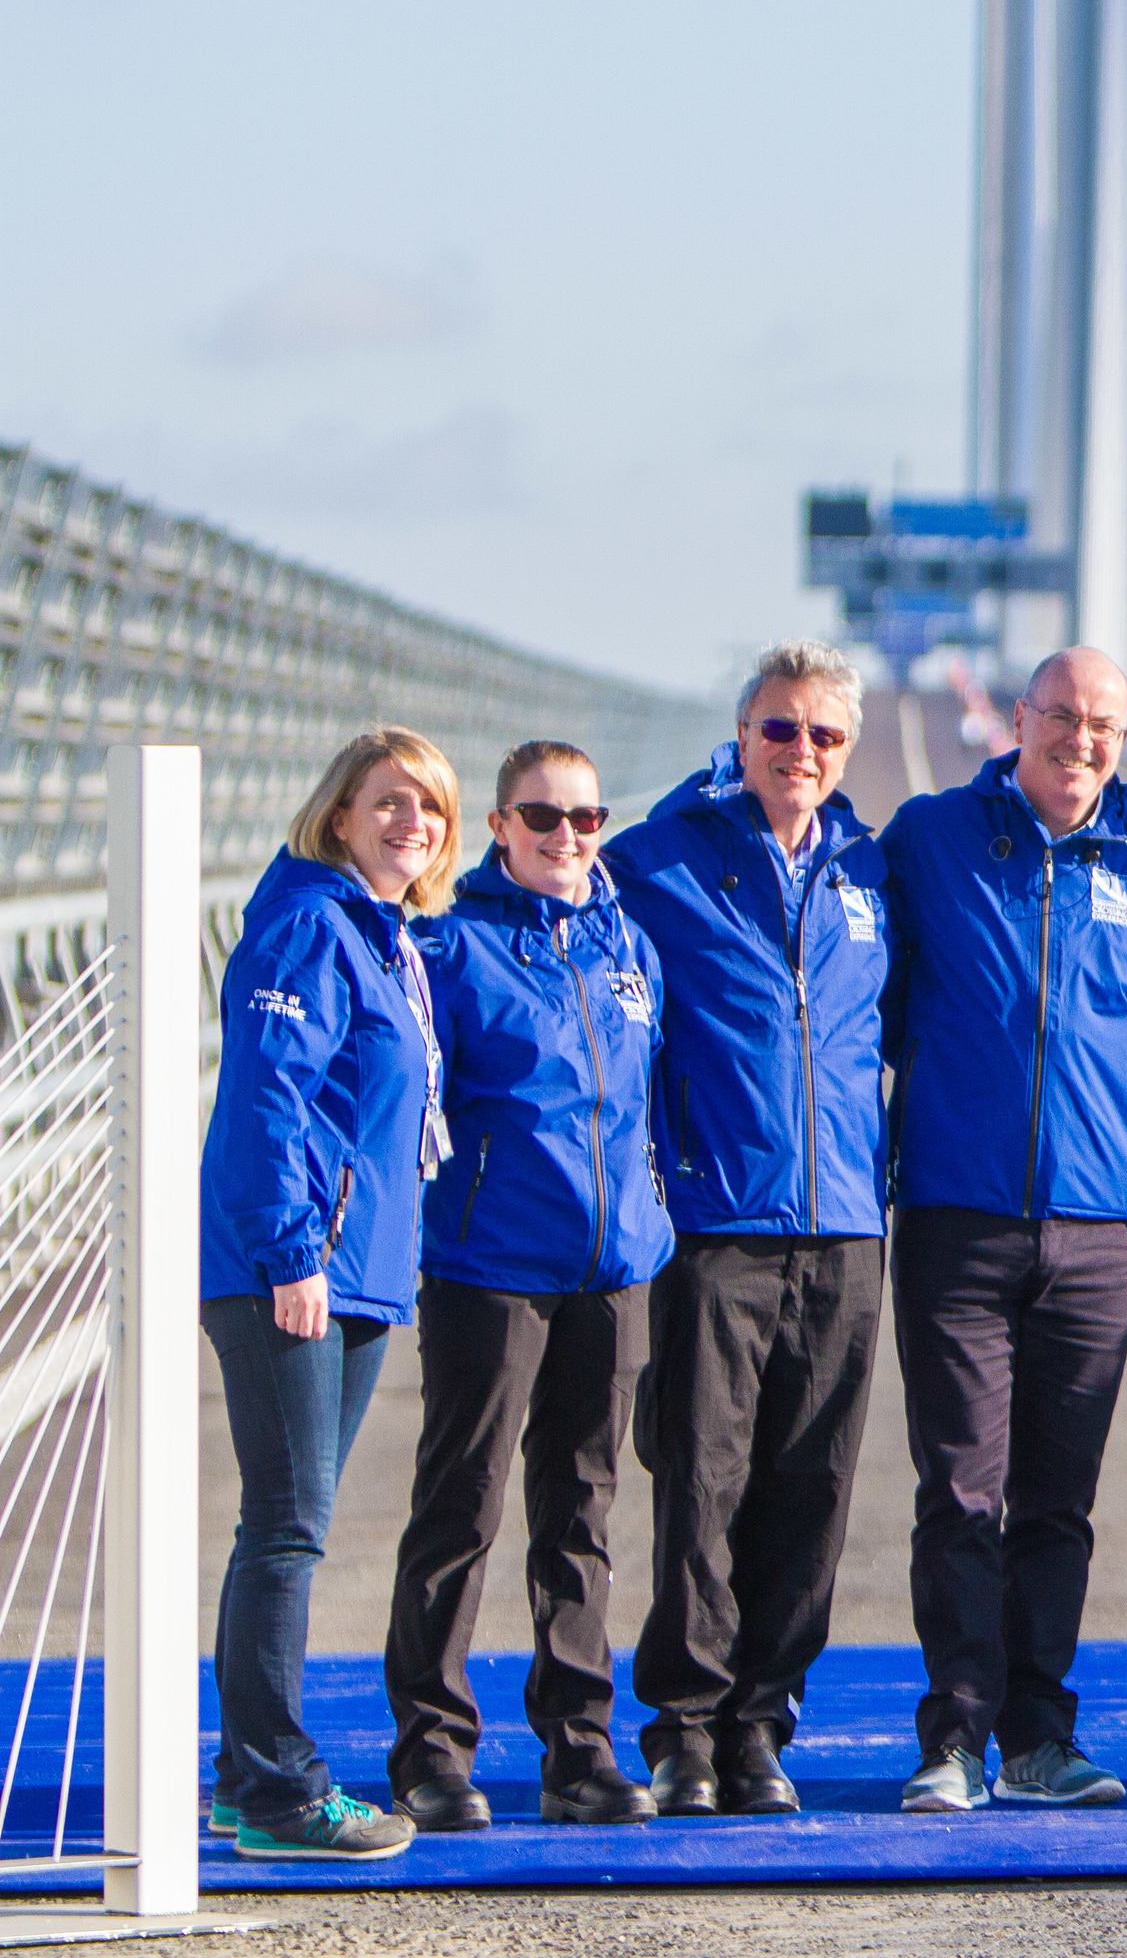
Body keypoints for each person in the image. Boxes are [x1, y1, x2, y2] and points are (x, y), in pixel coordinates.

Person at [875, 648, 1127, 1813]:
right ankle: (954, 1736)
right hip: (958, 1216)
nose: (1081, 740)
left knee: (1058, 1502)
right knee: (961, 1492)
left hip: (1099, 1227)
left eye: (1102, 723)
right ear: (1018, 721)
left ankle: (1039, 1737)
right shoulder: (932, 838)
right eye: (1060, 716)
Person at [604, 640, 890, 1816]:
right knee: (700, 1482)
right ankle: (682, 1729)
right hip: (716, 1226)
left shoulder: (871, 873)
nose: (801, 752)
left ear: (848, 749)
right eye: (779, 729)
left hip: (846, 1228)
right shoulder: (656, 863)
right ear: (741, 735)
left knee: (810, 1487)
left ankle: (762, 1723)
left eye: (823, 735)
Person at [382, 741, 672, 1831]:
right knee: (461, 1507)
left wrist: (649, 1217)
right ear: (498, 827)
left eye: (587, 819)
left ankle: (580, 1750)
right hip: (490, 1269)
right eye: (542, 819)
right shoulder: (451, 948)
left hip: (611, 1271)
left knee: (583, 1514)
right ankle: (432, 1751)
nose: (567, 839)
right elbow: (413, 1108)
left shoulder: (627, 944)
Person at [204, 728, 462, 1863]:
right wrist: (292, 1253)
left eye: (432, 809)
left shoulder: (385, 936)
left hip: (351, 1268)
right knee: (286, 1530)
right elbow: (269, 1101)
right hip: (297, 1266)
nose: (413, 823)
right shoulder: (314, 924)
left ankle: (242, 1781)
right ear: (341, 813)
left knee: (289, 1525)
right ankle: (273, 1791)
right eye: (390, 802)